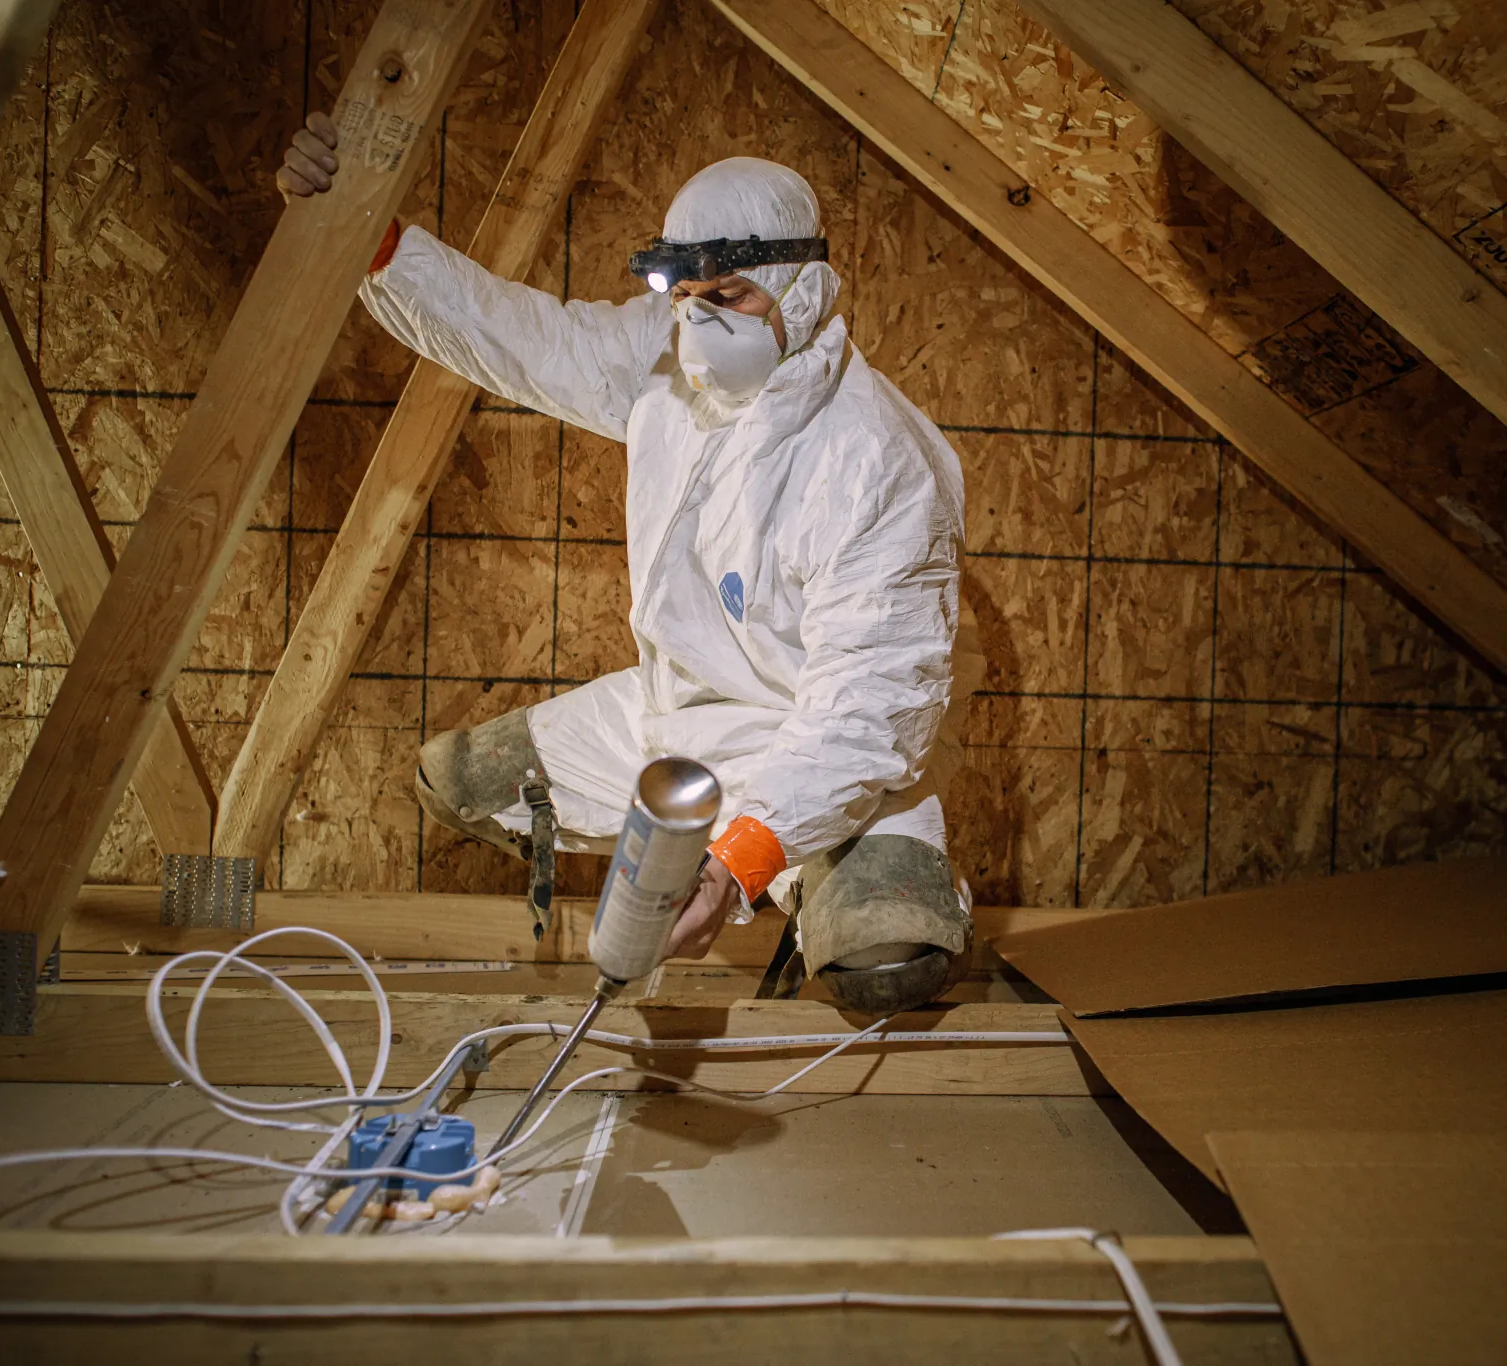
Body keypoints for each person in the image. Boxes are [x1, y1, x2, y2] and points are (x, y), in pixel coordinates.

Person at [278, 114, 981, 1012]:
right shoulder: (668, 363)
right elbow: (531, 340)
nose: (696, 318)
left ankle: (851, 877)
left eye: (727, 294)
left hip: (835, 748)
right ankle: (732, 852)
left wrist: (733, 866)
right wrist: (370, 239)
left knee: (888, 962)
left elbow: (864, 717)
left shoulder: (877, 464)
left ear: (800, 295)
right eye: (681, 289)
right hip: (676, 719)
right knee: (458, 783)